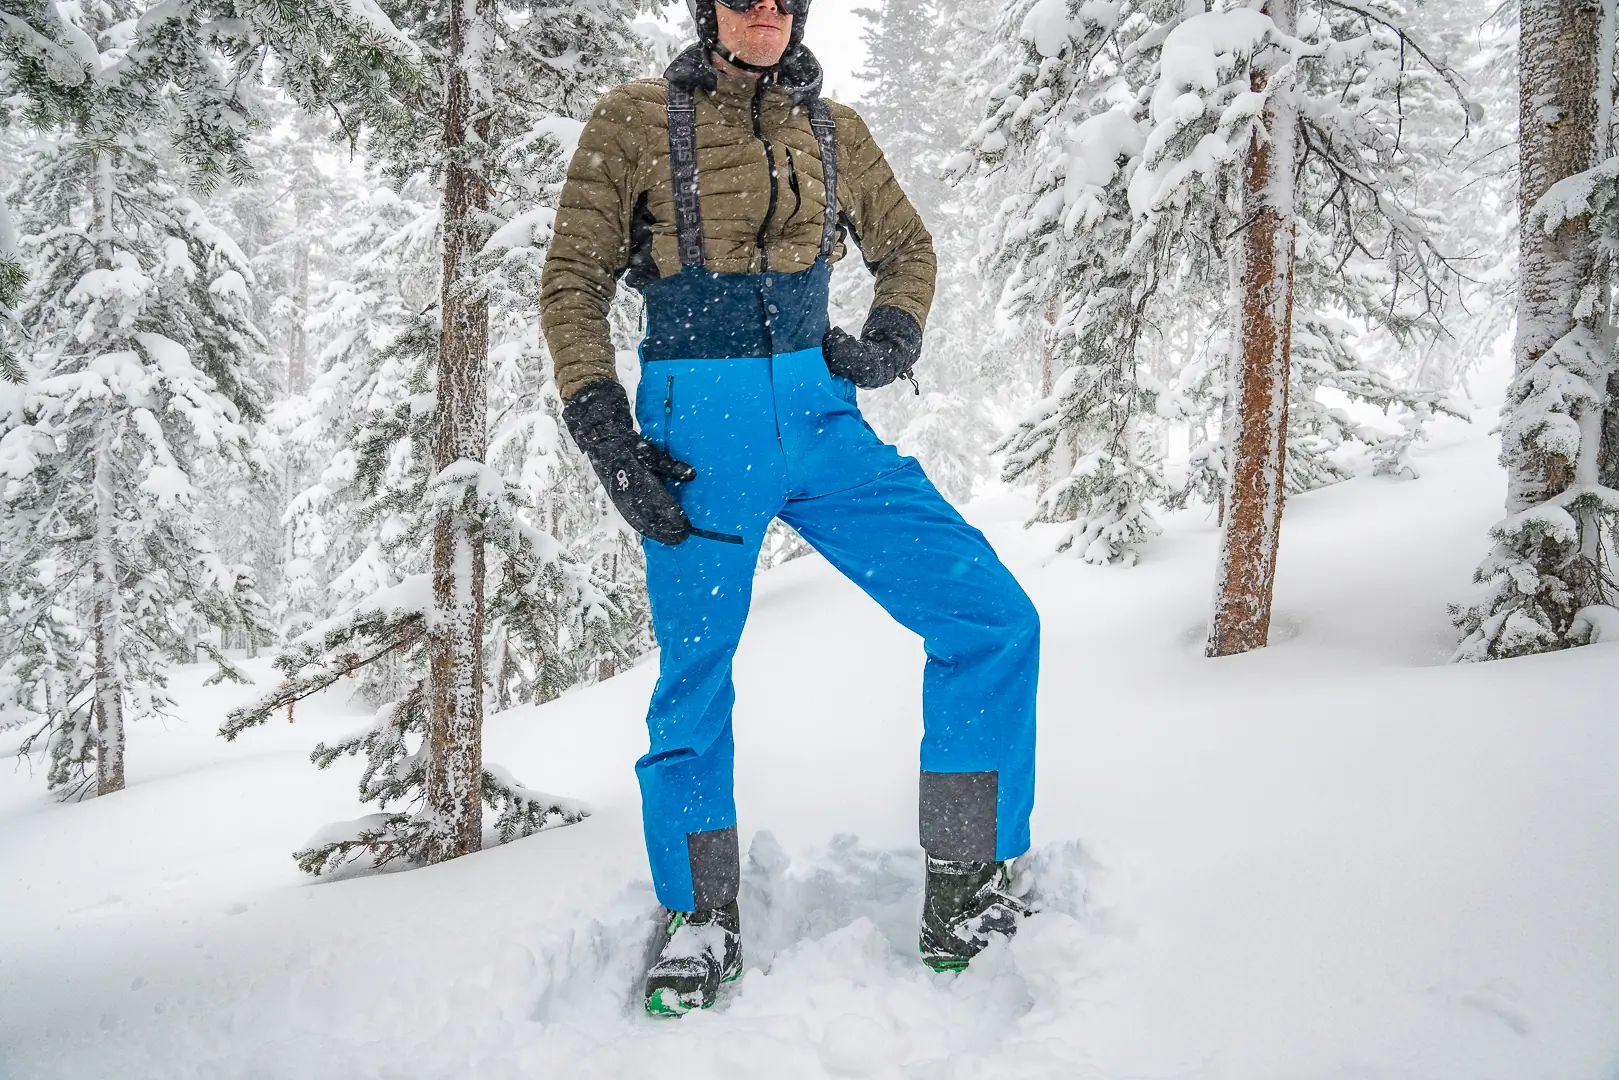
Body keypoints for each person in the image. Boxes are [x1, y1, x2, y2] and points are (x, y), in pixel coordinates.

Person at [539, 0, 1041, 1016]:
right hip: (697, 439)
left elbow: (906, 248)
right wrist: (603, 430)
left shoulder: (835, 129)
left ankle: (966, 882)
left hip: (821, 422)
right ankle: (698, 916)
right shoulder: (634, 119)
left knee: (989, 619)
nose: (764, 12)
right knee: (694, 683)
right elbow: (570, 284)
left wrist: (890, 335)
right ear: (705, 10)